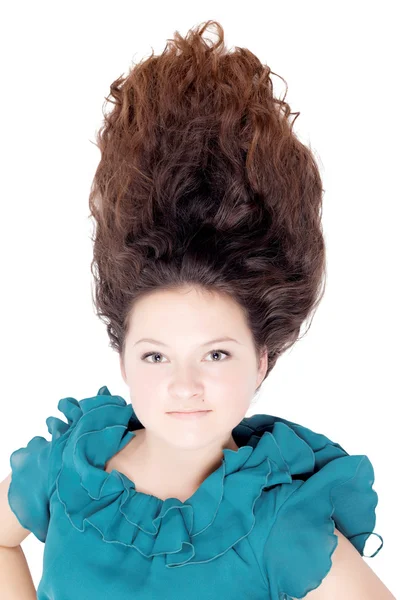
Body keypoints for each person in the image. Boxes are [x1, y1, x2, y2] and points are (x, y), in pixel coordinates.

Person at [0, 19, 394, 600]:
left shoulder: (281, 525)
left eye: (216, 353)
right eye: (156, 355)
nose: (184, 386)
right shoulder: (68, 470)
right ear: (124, 360)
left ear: (263, 360)